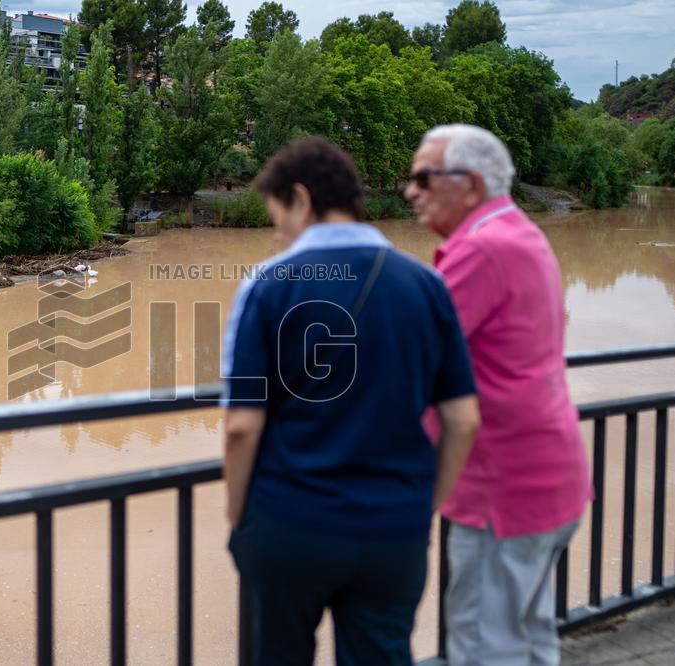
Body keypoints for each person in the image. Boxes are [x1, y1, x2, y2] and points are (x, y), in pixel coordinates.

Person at [222, 136, 480, 666]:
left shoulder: (269, 285)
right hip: (393, 529)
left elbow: (242, 425)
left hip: (290, 523)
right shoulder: (428, 285)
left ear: (301, 198)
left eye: (279, 216)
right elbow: (462, 418)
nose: (279, 233)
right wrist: (421, 505)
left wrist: (238, 518)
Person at [405, 124, 591, 666]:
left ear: (470, 184)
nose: (410, 190)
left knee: (486, 649)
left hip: (502, 491)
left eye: (422, 177)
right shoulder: (520, 233)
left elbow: (413, 360)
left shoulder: (482, 249)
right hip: (547, 478)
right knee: (529, 640)